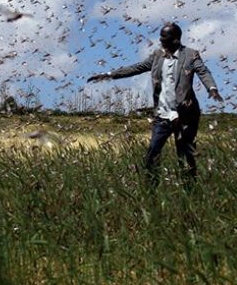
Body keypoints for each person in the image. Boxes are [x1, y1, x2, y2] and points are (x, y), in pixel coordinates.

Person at [87, 22, 222, 187]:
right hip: (162, 116)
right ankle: (151, 190)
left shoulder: (190, 55)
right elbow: (136, 68)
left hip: (185, 115)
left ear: (176, 39)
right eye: (160, 36)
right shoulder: (157, 56)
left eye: (164, 37)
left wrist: (212, 89)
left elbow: (203, 71)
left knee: (185, 155)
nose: (161, 40)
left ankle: (190, 190)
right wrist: (109, 75)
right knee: (152, 152)